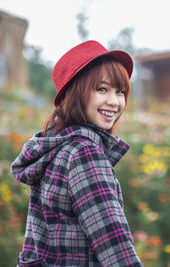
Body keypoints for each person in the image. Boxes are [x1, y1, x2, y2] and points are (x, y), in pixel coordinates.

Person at [11, 40, 143, 267]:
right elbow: (115, 246)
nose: (114, 102)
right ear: (74, 92)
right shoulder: (84, 153)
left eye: (120, 91)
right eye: (102, 89)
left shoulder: (54, 146)